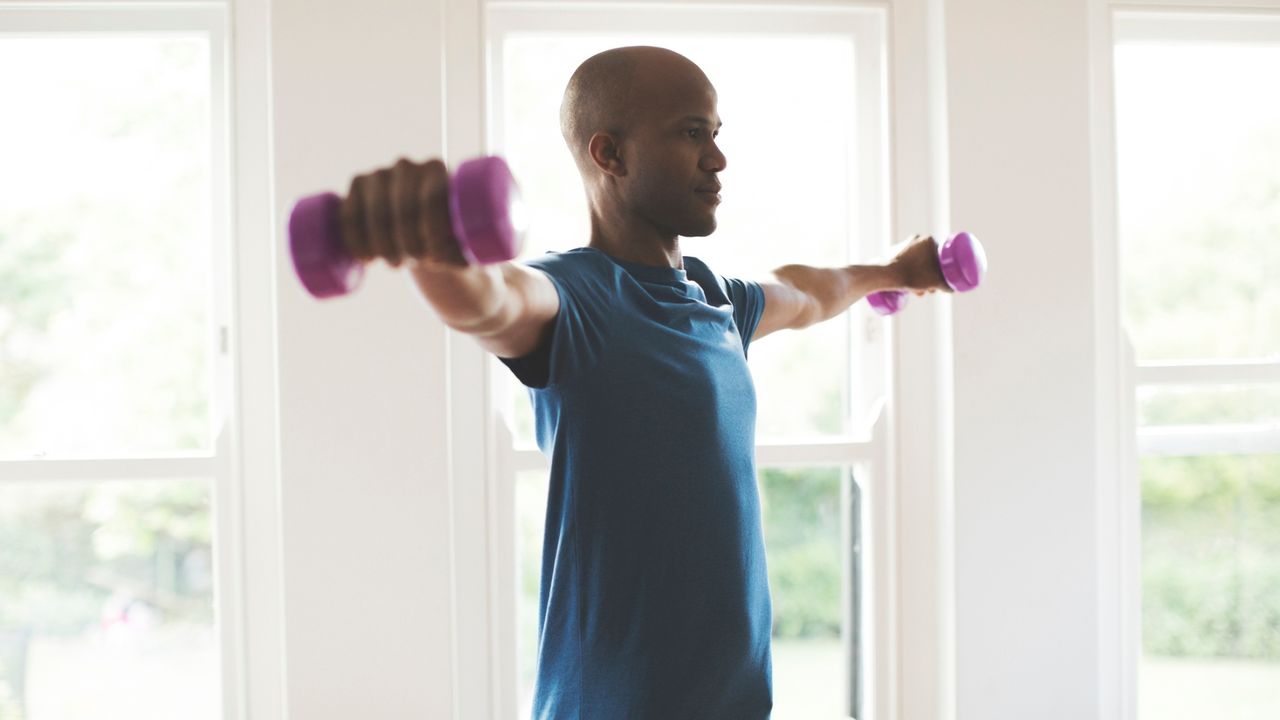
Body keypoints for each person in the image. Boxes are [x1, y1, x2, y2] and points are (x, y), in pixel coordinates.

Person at [350, 45, 947, 720]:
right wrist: (432, 249)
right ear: (610, 154)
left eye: (716, 135)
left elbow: (810, 293)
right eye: (692, 133)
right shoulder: (577, 299)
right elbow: (491, 301)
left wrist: (895, 272)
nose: (717, 160)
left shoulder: (718, 299)